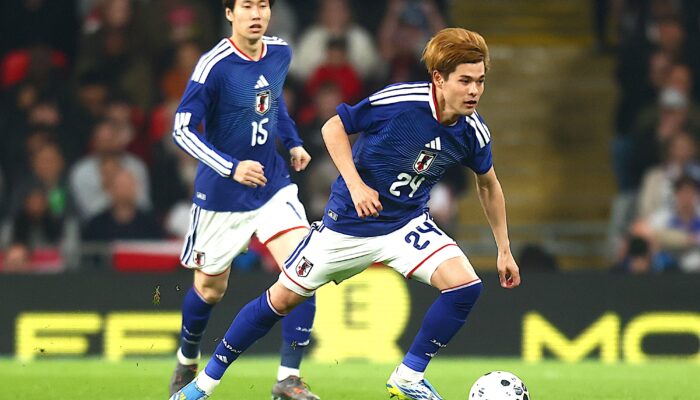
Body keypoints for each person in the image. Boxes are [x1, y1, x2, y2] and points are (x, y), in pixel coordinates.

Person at [171, 27, 521, 400]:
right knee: (280, 301)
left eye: (480, 81)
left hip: (405, 225)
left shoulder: (473, 132)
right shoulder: (401, 102)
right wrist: (355, 185)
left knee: (465, 286)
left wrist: (503, 249)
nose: (474, 91)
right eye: (465, 81)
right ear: (439, 78)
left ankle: (408, 376)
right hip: (347, 228)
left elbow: (488, 185)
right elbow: (333, 127)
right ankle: (203, 385)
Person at [167, 1, 319, 400]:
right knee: (210, 290)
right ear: (229, 13)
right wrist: (231, 167)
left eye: (262, 5)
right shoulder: (214, 65)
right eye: (246, 5)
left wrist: (293, 142)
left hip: (272, 186)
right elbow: (182, 129)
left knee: (305, 270)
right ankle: (186, 358)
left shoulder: (280, 52)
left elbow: (273, 103)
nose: (256, 13)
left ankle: (288, 378)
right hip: (222, 195)